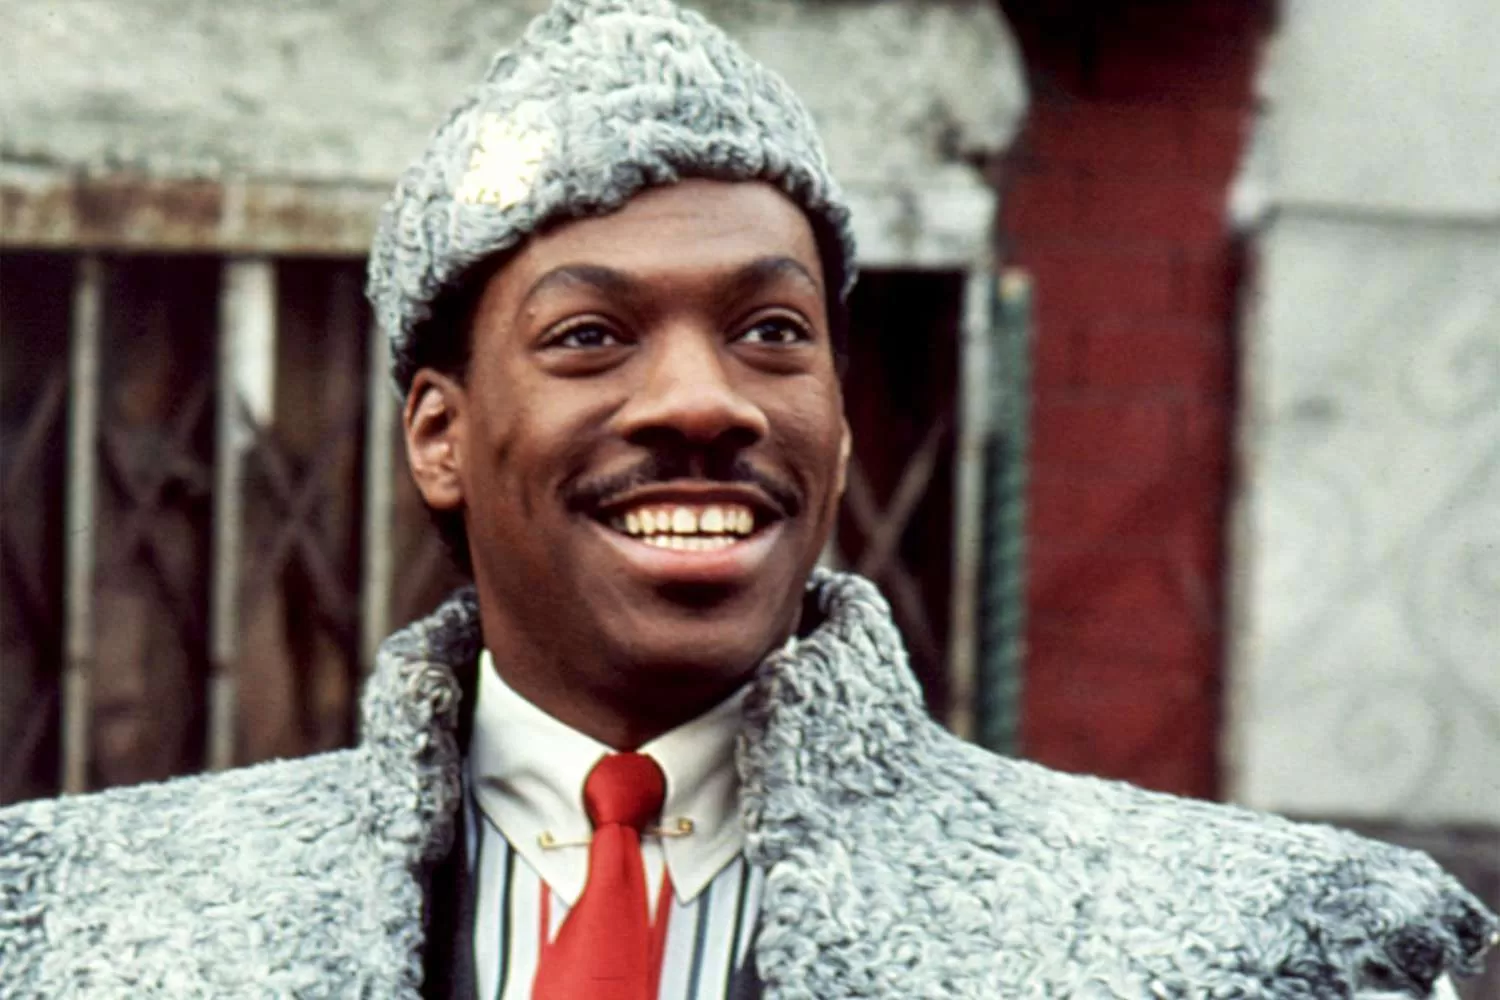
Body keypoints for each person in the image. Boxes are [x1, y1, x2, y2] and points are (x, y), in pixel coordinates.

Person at [1, 1, 1495, 997]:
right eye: (591, 336)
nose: (703, 401)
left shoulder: (1249, 951)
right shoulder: (73, 929)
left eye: (772, 330)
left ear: (837, 431)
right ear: (440, 436)